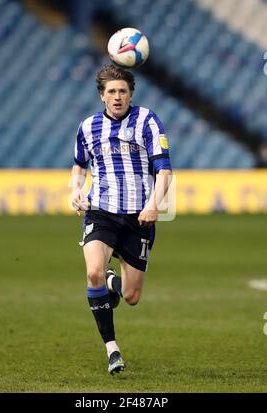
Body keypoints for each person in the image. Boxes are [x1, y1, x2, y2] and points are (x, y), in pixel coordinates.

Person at [71, 64, 172, 374]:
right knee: (93, 274)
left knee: (131, 297)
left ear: (131, 95)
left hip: (139, 218)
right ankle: (112, 348)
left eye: (122, 91)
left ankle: (114, 282)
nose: (117, 97)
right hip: (101, 210)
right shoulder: (88, 127)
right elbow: (79, 166)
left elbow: (165, 171)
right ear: (102, 95)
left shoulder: (147, 121)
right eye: (111, 91)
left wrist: (154, 205)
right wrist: (75, 191)